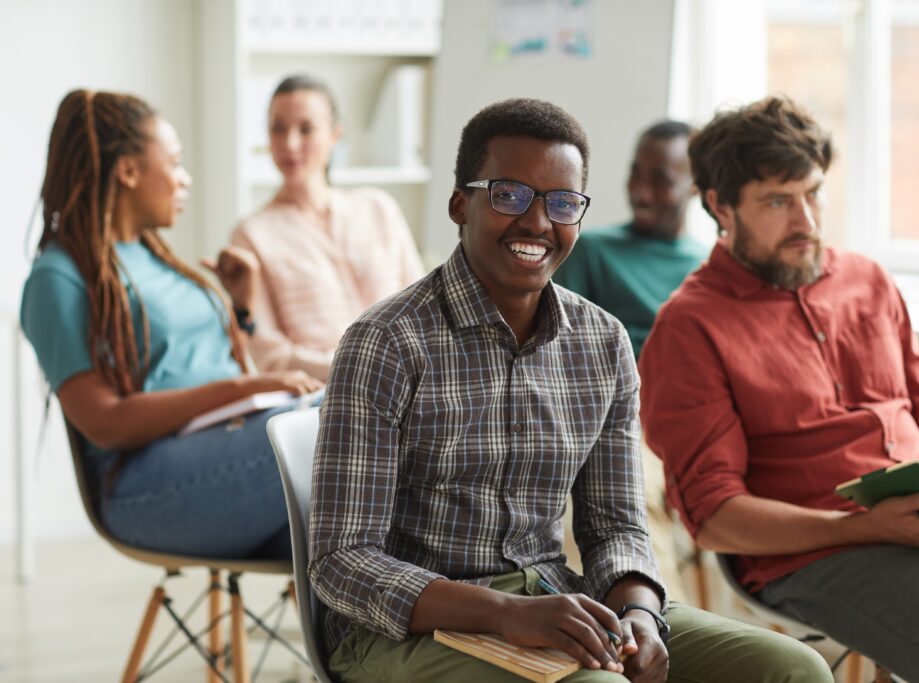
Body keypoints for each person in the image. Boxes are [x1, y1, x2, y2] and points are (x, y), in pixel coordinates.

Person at [308, 97, 832, 683]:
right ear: (461, 204)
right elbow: (342, 563)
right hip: (398, 633)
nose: (537, 223)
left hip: (555, 599)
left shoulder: (602, 343)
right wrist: (507, 613)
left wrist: (639, 611)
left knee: (792, 669)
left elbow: (616, 528)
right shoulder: (386, 343)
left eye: (562, 203)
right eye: (509, 195)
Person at [639, 95, 919, 682]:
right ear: (720, 206)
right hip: (824, 550)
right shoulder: (690, 326)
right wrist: (862, 526)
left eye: (813, 193)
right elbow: (715, 515)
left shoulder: (866, 279)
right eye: (777, 201)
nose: (808, 222)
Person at [20, 89, 322, 559]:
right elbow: (105, 424)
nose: (186, 179)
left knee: (367, 411)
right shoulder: (58, 278)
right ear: (129, 171)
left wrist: (241, 311)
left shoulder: (154, 258)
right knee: (335, 428)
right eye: (175, 163)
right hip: (147, 489)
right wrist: (242, 390)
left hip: (234, 446)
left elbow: (222, 371)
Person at [228, 74, 424, 381]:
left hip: (413, 385)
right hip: (326, 401)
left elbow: (425, 310)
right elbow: (272, 356)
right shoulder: (252, 234)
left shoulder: (378, 208)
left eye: (306, 129)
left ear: (335, 135)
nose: (290, 143)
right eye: (278, 129)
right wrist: (362, 368)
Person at [554, 120, 707, 360]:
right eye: (636, 174)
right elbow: (560, 344)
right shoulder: (590, 251)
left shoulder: (707, 266)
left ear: (696, 186)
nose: (642, 193)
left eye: (661, 181)